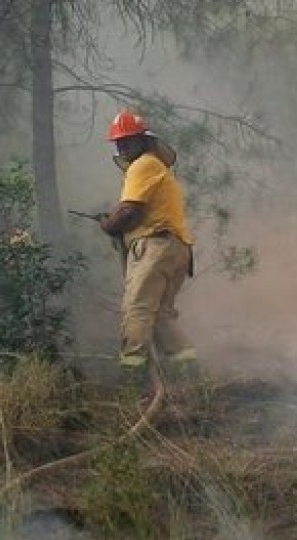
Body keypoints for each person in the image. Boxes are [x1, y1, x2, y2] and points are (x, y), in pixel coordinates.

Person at [99, 108, 197, 407]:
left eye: (127, 142)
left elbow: (130, 211)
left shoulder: (142, 166)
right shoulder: (156, 166)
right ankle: (192, 379)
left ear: (143, 140)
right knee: (161, 317)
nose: (122, 148)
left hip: (156, 247)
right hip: (175, 249)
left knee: (137, 311)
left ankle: (134, 385)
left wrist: (108, 224)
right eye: (119, 143)